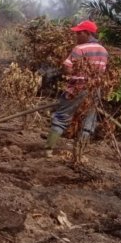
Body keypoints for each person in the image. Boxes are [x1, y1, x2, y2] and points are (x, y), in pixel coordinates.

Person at [45, 20, 109, 157]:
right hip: (95, 90)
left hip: (77, 88)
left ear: (87, 33)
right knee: (89, 120)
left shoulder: (79, 49)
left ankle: (48, 150)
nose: (77, 36)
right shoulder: (104, 51)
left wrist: (69, 74)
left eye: (79, 33)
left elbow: (67, 69)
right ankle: (80, 154)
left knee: (61, 117)